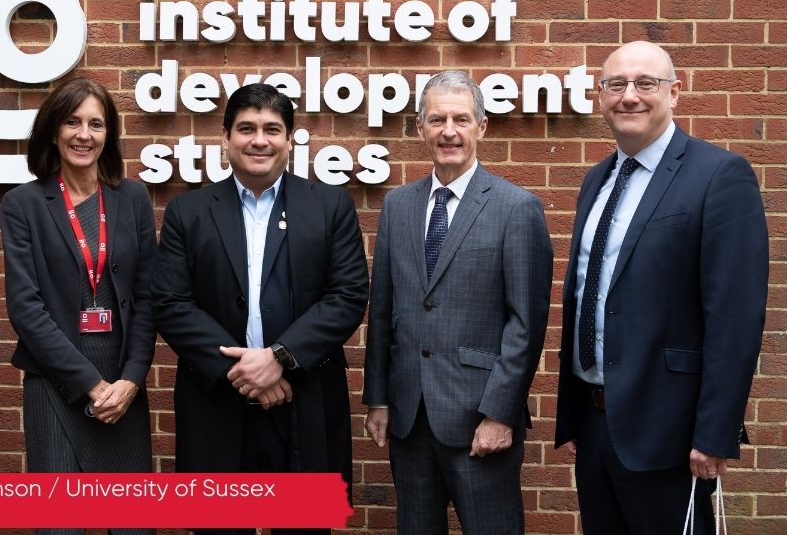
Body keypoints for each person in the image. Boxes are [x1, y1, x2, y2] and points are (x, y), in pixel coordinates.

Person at [554, 41, 768, 534]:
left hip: (671, 432)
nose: (630, 96)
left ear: (675, 92)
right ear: (599, 96)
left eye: (645, 84)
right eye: (616, 85)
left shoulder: (718, 175)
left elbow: (734, 318)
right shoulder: (597, 180)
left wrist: (715, 432)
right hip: (596, 421)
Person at [151, 83, 369, 535]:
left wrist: (280, 360)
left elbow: (347, 295)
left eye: (272, 129)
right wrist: (246, 372)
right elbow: (171, 304)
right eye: (246, 128)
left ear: (290, 140)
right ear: (226, 137)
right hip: (216, 407)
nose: (259, 140)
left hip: (303, 402)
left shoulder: (331, 207)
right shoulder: (187, 212)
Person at [362, 70, 553, 534]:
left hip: (478, 419)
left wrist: (500, 413)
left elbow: (525, 325)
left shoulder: (515, 208)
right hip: (410, 418)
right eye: (437, 119)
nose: (449, 131)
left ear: (481, 127)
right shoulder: (398, 205)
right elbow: (382, 308)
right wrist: (379, 399)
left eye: (461, 119)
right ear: (419, 127)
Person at [0, 78, 156, 535]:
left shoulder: (132, 200)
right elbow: (25, 308)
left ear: (109, 135)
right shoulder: (22, 204)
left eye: (96, 124)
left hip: (124, 389)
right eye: (72, 122)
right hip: (56, 385)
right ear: (53, 130)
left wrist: (130, 379)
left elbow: (148, 298)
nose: (83, 134)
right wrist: (90, 384)